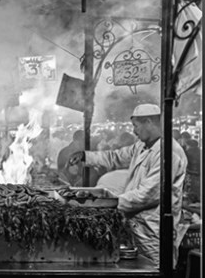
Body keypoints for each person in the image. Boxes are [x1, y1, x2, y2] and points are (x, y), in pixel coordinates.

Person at [69, 103, 187, 267]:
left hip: (153, 229)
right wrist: (86, 156)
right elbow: (115, 157)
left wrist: (106, 204)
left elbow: (147, 195)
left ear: (148, 122)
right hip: (136, 224)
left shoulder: (170, 153)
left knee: (154, 271)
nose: (133, 131)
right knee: (136, 270)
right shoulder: (142, 146)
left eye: (135, 126)